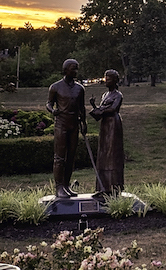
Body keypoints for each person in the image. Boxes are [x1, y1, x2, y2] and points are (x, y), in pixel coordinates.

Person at [47, 58, 86, 198]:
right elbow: (49, 103)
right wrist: (52, 110)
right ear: (65, 70)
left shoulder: (80, 88)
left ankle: (66, 185)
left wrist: (84, 123)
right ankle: (59, 187)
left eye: (77, 68)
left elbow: (82, 108)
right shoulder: (55, 87)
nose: (76, 71)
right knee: (59, 157)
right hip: (61, 124)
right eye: (73, 68)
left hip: (74, 124)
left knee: (71, 157)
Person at [88, 69, 125, 199]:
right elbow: (100, 112)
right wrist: (94, 107)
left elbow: (113, 109)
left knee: (112, 154)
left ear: (115, 80)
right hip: (104, 125)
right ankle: (102, 187)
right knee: (103, 154)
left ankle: (114, 187)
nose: (106, 81)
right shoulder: (104, 95)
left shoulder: (118, 95)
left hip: (113, 125)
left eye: (108, 78)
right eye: (105, 78)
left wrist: (100, 110)